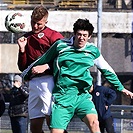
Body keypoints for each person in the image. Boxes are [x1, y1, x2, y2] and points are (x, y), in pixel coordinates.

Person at [22, 18, 133, 133]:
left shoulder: (92, 51)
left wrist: (121, 88)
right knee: (55, 131)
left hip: (82, 96)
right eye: (79, 34)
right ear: (74, 34)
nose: (81, 38)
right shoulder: (61, 46)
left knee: (94, 123)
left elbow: (107, 70)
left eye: (85, 35)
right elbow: (42, 59)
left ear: (89, 36)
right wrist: (25, 74)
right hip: (63, 96)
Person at [17, 5, 64, 133]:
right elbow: (22, 67)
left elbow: (65, 57)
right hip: (33, 83)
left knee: (53, 123)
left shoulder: (53, 35)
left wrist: (47, 66)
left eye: (39, 24)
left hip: (48, 81)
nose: (35, 26)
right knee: (35, 127)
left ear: (46, 22)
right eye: (33, 22)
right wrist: (22, 50)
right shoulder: (26, 38)